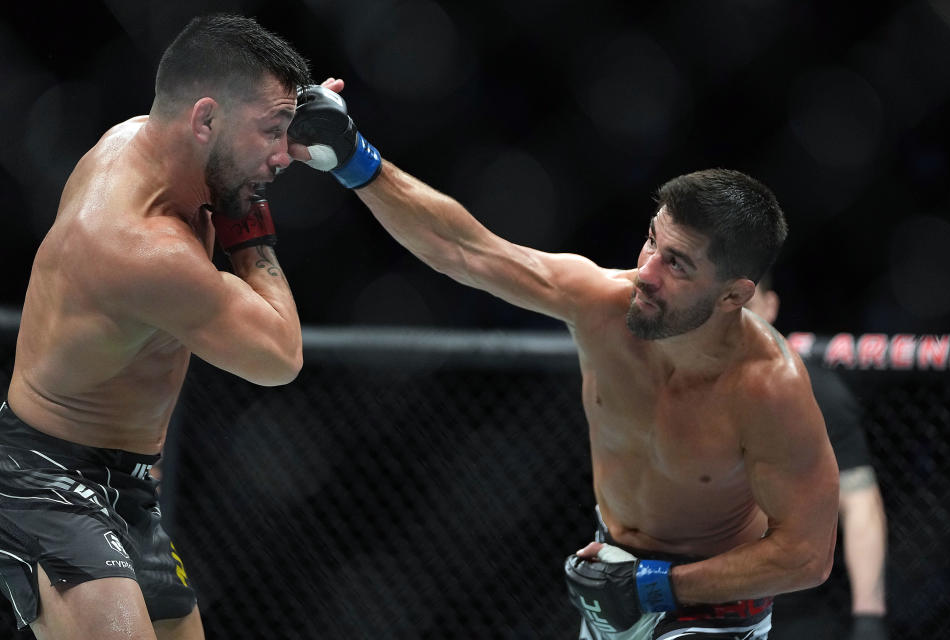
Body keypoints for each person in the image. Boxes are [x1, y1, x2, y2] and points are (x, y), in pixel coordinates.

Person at [284, 86, 840, 639]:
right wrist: (354, 158)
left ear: (733, 296)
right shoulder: (600, 303)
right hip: (608, 582)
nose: (645, 273)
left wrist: (660, 586)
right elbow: (467, 250)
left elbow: (807, 555)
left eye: (677, 264)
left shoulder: (768, 388)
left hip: (713, 610)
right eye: (651, 243)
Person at [0, 14, 318, 640]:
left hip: (128, 487)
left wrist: (276, 127)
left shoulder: (138, 143)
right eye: (273, 133)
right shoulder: (141, 248)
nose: (283, 156)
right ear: (204, 121)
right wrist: (250, 220)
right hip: (44, 481)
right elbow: (279, 356)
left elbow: (235, 149)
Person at [747, 277, 889, 640]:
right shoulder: (678, 388)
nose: (735, 313)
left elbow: (859, 503)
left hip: (793, 609)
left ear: (770, 306)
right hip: (692, 600)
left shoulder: (814, 391)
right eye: (724, 300)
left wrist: (869, 618)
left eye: (745, 300)